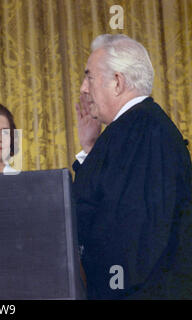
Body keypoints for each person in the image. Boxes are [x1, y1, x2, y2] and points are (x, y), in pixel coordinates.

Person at [73, 34, 192, 299]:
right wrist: (91, 148)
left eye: (89, 76)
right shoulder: (133, 129)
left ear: (117, 82)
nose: (83, 88)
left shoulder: (143, 131)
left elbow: (134, 235)